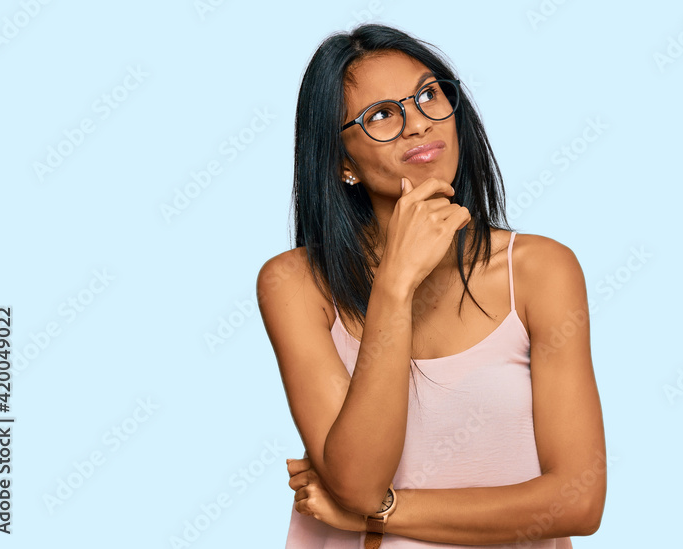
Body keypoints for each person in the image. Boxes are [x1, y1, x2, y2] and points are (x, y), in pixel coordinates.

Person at [256, 23, 606, 548]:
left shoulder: (539, 271)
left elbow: (578, 502)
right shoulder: (296, 283)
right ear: (342, 161)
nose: (417, 123)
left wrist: (379, 514)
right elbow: (358, 480)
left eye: (427, 96)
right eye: (381, 115)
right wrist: (395, 284)